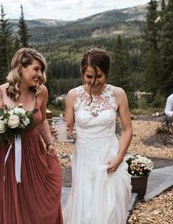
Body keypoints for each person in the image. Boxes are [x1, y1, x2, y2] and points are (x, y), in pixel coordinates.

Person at [0, 48, 61, 223]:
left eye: (42, 70)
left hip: (34, 152)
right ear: (20, 68)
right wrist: (3, 127)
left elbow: (42, 120)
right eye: (36, 69)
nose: (40, 74)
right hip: (5, 157)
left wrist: (50, 144)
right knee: (13, 202)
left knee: (39, 200)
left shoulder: (41, 92)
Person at [63, 48, 132, 223]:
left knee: (112, 205)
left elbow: (127, 129)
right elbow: (68, 130)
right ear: (82, 73)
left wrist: (119, 157)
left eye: (99, 76)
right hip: (84, 159)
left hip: (110, 155)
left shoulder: (118, 94)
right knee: (87, 207)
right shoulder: (73, 96)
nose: (94, 81)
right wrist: (61, 133)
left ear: (107, 73)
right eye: (89, 76)